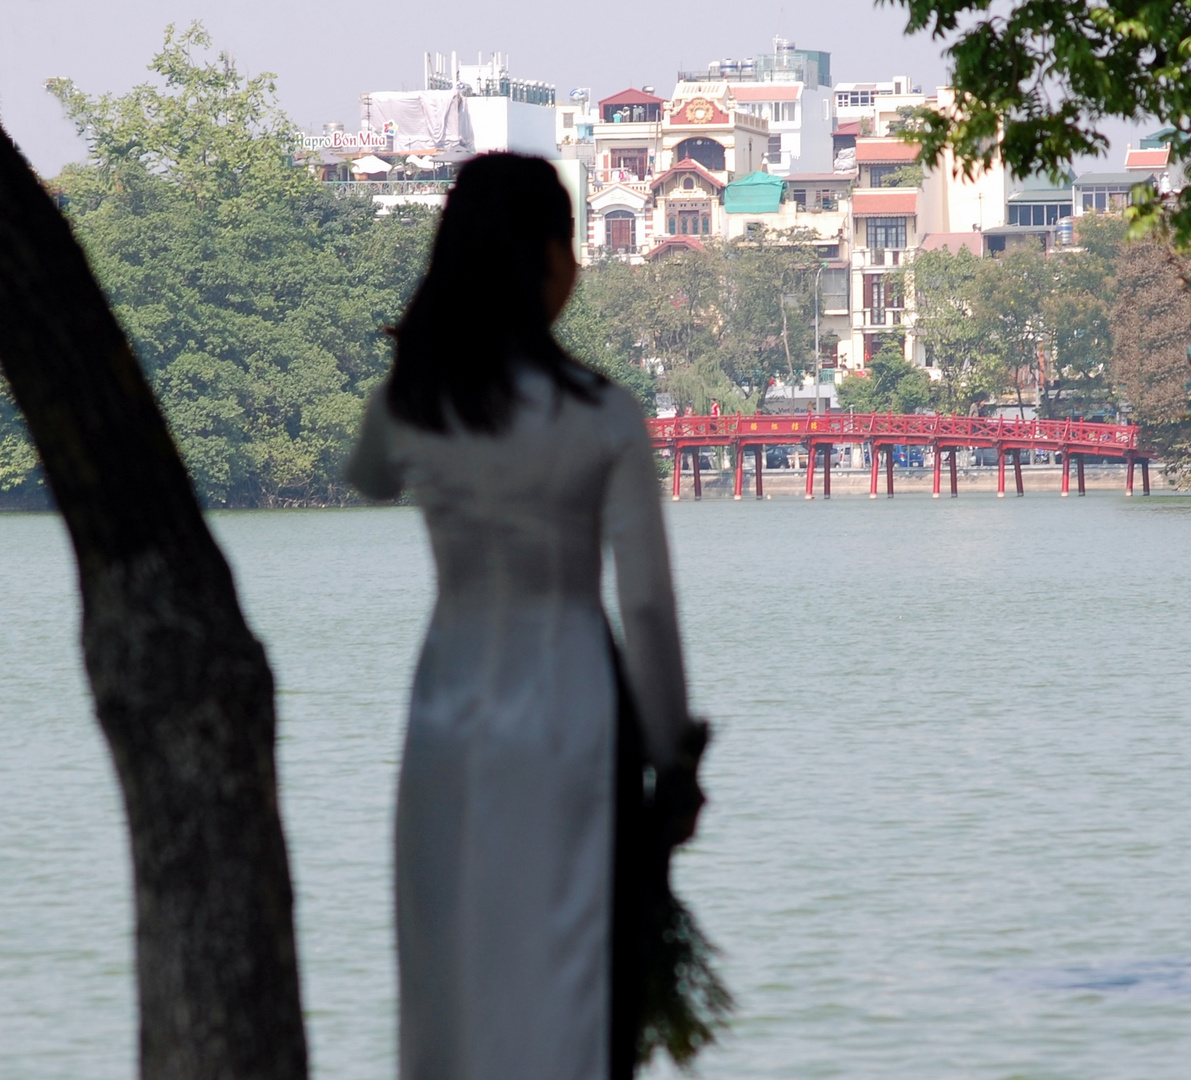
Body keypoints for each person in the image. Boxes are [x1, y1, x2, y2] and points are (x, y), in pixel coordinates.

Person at [346, 153, 701, 1080]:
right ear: (544, 261)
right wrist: (674, 760)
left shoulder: (413, 404)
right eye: (571, 245)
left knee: (452, 954)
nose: (578, 268)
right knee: (574, 960)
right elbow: (648, 607)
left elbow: (367, 476)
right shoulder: (602, 414)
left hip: (447, 706)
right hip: (575, 704)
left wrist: (419, 347)